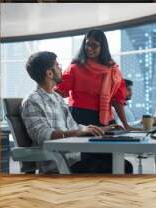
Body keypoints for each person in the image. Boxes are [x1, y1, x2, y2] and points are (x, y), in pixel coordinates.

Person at [21, 51, 132, 174]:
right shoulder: (32, 101)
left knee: (123, 164)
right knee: (123, 167)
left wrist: (104, 129)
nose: (61, 68)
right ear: (50, 73)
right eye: (57, 65)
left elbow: (74, 127)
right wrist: (78, 132)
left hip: (73, 158)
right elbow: (43, 135)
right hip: (58, 164)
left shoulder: (57, 98)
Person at [55, 29, 133, 173]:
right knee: (94, 162)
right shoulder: (75, 68)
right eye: (87, 44)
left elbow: (117, 100)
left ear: (103, 47)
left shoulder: (113, 70)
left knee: (115, 160)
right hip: (81, 118)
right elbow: (58, 93)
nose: (89, 48)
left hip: (105, 121)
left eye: (94, 45)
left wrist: (126, 125)